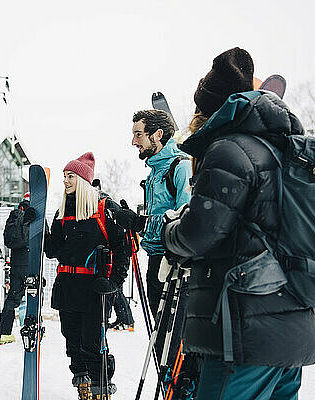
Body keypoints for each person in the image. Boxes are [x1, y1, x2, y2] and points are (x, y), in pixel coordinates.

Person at [160, 47, 315, 399]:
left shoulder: (230, 149)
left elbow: (197, 235)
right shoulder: (281, 148)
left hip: (245, 332)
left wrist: (170, 230)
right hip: (291, 324)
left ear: (210, 109)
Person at [44, 152, 129, 399]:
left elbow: (122, 251)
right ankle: (83, 388)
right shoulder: (61, 213)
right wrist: (38, 227)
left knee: (93, 344)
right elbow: (52, 251)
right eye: (64, 176)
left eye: (70, 176)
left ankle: (101, 389)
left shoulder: (103, 209)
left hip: (95, 290)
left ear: (82, 179)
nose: (66, 181)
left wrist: (113, 283)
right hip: (68, 286)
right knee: (72, 342)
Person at [115, 109, 193, 369]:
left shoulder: (179, 167)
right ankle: (167, 384)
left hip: (174, 265)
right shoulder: (155, 173)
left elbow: (185, 217)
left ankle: (180, 387)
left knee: (173, 339)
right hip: (155, 260)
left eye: (139, 134)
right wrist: (135, 223)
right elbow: (158, 217)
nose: (134, 141)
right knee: (160, 339)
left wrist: (142, 222)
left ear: (158, 134)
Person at [90, 179, 134, 332]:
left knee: (116, 290)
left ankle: (126, 320)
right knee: (116, 291)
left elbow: (120, 239)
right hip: (109, 258)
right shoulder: (101, 204)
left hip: (112, 258)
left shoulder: (106, 205)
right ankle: (124, 319)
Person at [0, 192, 35, 345]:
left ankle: (4, 334)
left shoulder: (13, 216)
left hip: (16, 263)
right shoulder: (33, 214)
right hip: (31, 261)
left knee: (13, 297)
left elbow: (9, 240)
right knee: (34, 295)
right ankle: (32, 328)